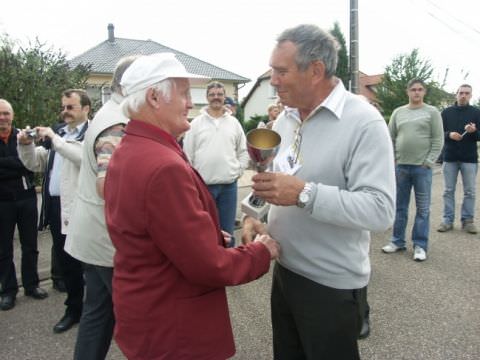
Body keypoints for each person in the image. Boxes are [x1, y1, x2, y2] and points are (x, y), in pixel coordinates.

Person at [103, 53, 279, 360]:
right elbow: (208, 265)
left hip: (147, 312)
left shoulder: (133, 146)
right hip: (173, 327)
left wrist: (208, 236)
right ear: (154, 97)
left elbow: (153, 231)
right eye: (184, 94)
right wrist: (260, 253)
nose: (190, 103)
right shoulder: (162, 164)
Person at [242, 24, 395, 359]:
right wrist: (257, 216)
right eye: (272, 71)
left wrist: (304, 194)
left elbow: (380, 210)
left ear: (316, 71)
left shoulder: (364, 122)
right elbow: (281, 182)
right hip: (285, 270)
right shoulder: (286, 119)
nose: (273, 80)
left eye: (281, 71)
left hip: (330, 285)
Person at [65, 57, 136, 360]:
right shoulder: (116, 123)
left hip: (93, 237)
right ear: (130, 83)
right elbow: (110, 186)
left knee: (97, 314)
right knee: (136, 319)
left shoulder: (111, 113)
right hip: (106, 242)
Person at [17, 89, 89, 333]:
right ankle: (74, 309)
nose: (65, 112)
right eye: (64, 107)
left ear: (86, 109)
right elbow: (35, 162)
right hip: (59, 208)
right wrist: (25, 145)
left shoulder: (93, 133)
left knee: (92, 264)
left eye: (71, 107)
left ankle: (103, 312)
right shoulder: (59, 133)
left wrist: (54, 140)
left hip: (85, 207)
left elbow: (81, 157)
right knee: (67, 262)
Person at [382, 79, 444, 261]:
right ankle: (397, 241)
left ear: (424, 92)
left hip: (422, 169)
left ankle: (420, 245)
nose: (416, 92)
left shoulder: (432, 112)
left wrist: (429, 161)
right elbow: (389, 137)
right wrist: (393, 159)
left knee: (423, 209)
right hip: (401, 167)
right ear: (407, 92)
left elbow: (438, 139)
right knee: (400, 207)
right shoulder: (398, 112)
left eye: (420, 89)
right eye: (413, 89)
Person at [183, 81, 249, 248]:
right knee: (205, 232)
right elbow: (187, 155)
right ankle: (208, 270)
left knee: (227, 233)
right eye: (212, 95)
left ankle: (230, 270)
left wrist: (238, 171)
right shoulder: (196, 124)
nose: (216, 98)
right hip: (204, 188)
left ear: (224, 97)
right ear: (207, 97)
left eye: (219, 94)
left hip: (229, 187)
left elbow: (243, 151)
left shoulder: (234, 123)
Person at [0, 99, 48, 311]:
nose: (3, 117)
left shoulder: (23, 136)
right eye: (0, 113)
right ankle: (8, 291)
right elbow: (21, 163)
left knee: (30, 245)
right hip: (2, 202)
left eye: (6, 113)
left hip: (26, 198)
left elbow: (30, 164)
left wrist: (13, 164)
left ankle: (31, 285)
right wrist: (17, 163)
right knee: (3, 249)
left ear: (12, 115)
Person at [437, 84, 480, 234]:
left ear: (471, 95)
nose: (463, 96)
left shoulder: (476, 113)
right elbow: (438, 133)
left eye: (467, 93)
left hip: (469, 158)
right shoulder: (446, 112)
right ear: (456, 94)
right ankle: (447, 220)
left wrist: (474, 131)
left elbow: (479, 136)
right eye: (461, 93)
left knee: (470, 191)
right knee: (448, 190)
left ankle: (467, 221)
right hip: (450, 157)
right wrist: (449, 135)